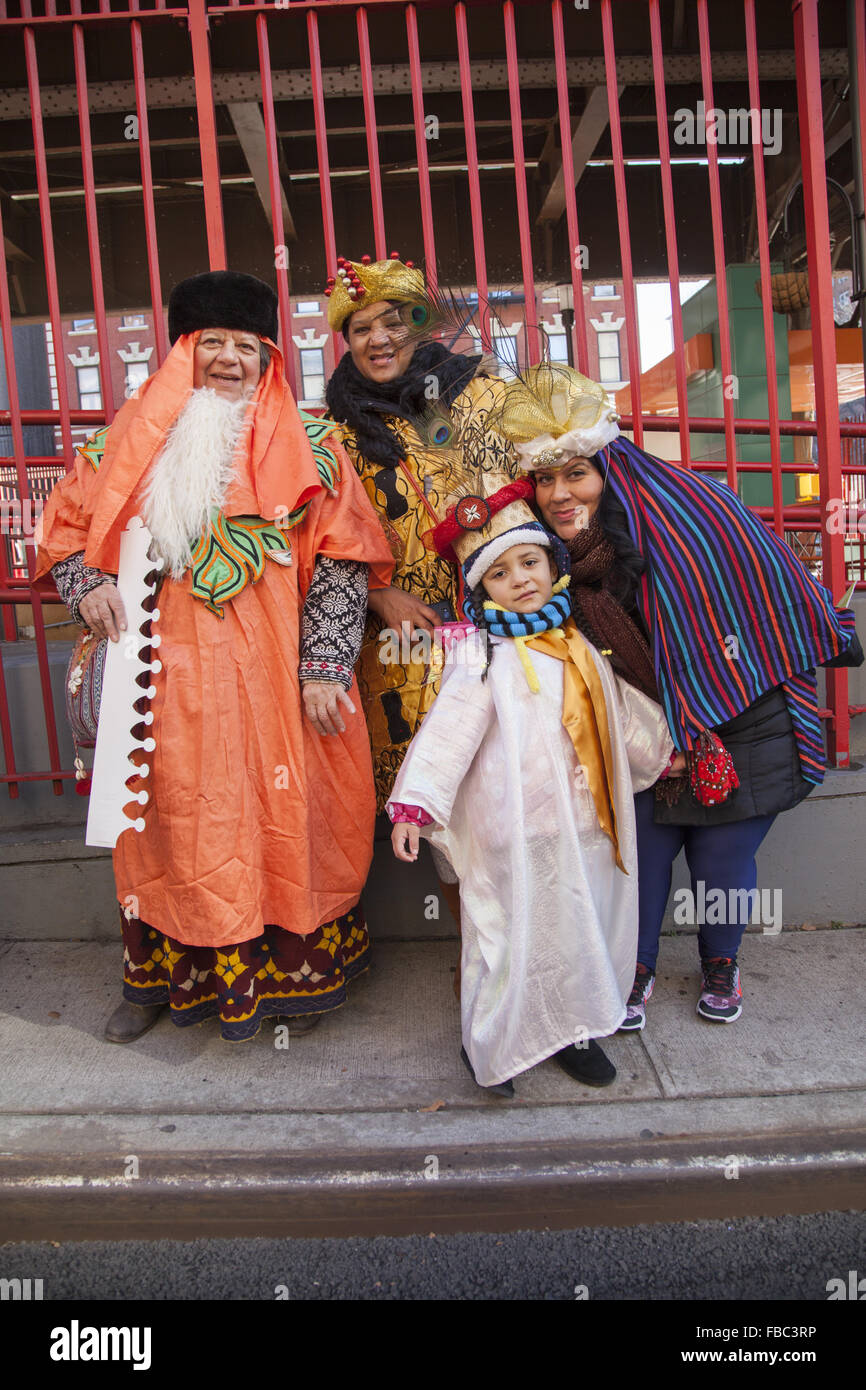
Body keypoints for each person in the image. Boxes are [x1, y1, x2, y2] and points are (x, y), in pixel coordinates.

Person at [36, 270, 394, 1043]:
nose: (230, 360)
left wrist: (327, 665)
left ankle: (291, 981)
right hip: (159, 683)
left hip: (279, 683)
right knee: (169, 828)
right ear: (182, 352)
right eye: (213, 345)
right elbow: (65, 533)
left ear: (268, 356)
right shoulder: (118, 445)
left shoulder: (316, 443)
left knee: (283, 816)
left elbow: (343, 560)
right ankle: (155, 983)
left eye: (247, 346)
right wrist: (85, 584)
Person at [494, 365, 861, 1029]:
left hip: (739, 724)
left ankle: (721, 960)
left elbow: (767, 578)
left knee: (723, 862)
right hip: (637, 740)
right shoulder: (548, 561)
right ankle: (634, 969)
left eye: (575, 472)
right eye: (544, 478)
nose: (558, 493)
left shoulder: (694, 513)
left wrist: (814, 632)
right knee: (638, 864)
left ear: (610, 466)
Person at [386, 466, 675, 1095]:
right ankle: (490, 1043)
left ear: (552, 570)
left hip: (581, 828)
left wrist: (662, 753)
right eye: (500, 572)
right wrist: (413, 806)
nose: (519, 580)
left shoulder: (581, 645)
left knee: (577, 925)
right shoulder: (479, 653)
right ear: (481, 588)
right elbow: (450, 732)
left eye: (529, 564)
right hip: (508, 830)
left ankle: (572, 1031)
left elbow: (615, 714)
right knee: (506, 937)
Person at [323, 254, 518, 932]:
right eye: (358, 330)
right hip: (407, 646)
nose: (377, 340)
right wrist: (378, 595)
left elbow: (546, 486)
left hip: (509, 623)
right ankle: (481, 955)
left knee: (509, 787)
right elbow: (325, 540)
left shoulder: (481, 397)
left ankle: (523, 949)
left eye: (391, 322)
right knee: (441, 794)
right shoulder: (337, 436)